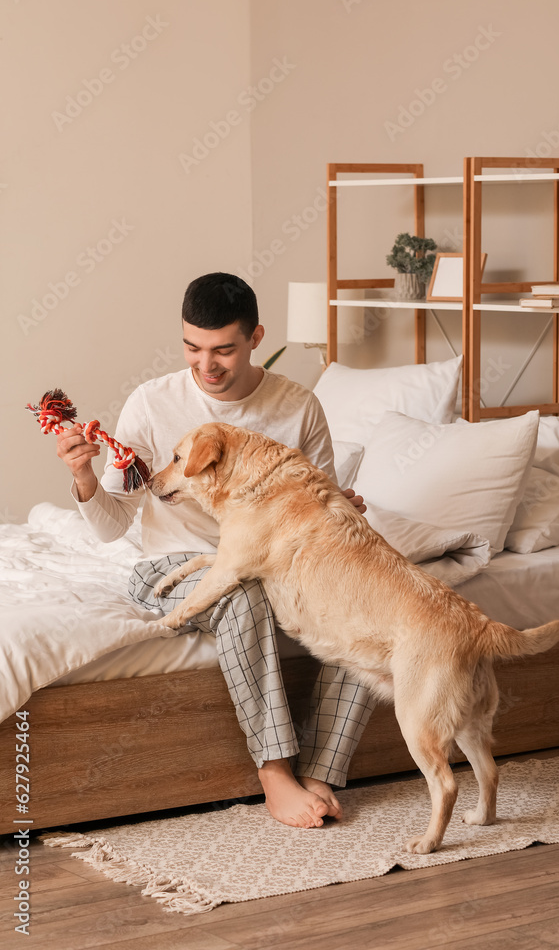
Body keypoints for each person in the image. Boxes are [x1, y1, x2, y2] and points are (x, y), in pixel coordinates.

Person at [56, 272, 377, 830]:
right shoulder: (152, 404)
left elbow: (315, 506)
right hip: (173, 566)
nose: (207, 366)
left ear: (255, 337)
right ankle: (275, 771)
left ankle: (323, 771)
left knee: (366, 608)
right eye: (193, 348)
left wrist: (336, 506)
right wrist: (84, 475)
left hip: (276, 563)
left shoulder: (297, 407)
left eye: (224, 349)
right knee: (242, 594)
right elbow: (112, 526)